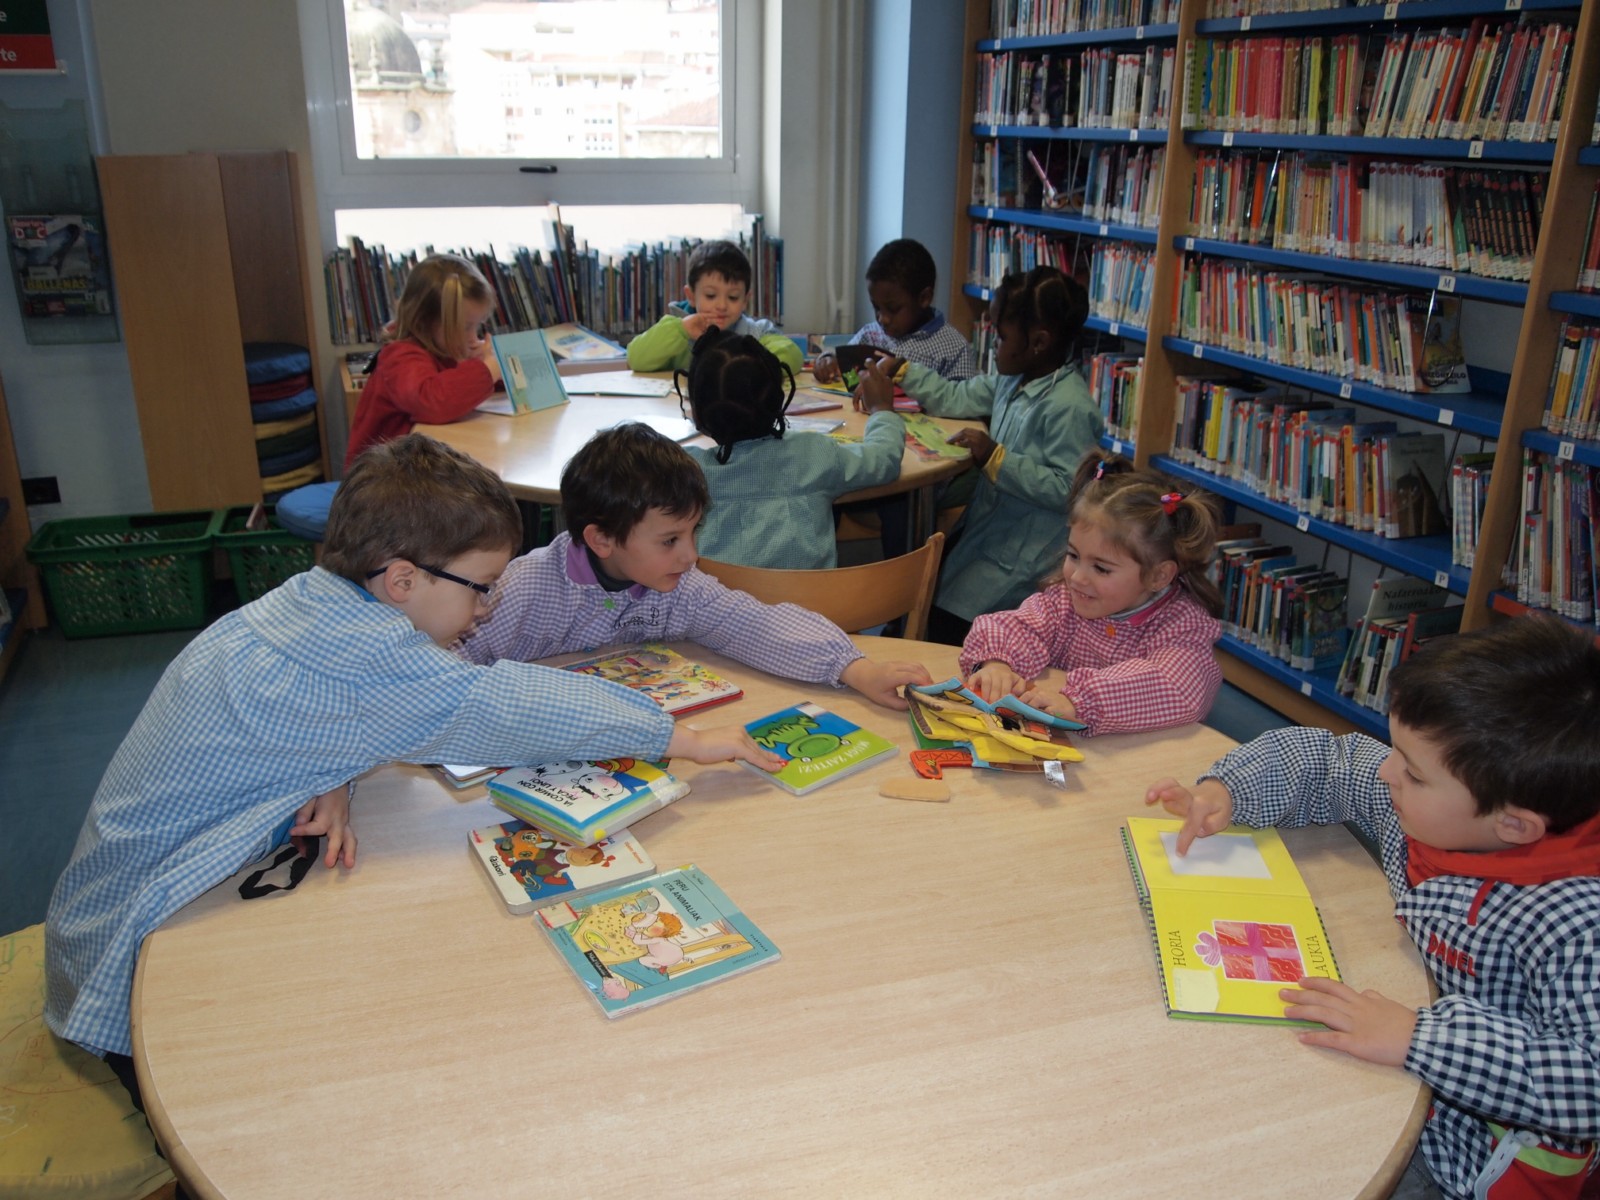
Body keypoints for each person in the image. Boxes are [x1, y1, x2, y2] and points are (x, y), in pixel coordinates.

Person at [45, 434, 779, 1082]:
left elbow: (313, 716)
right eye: (481, 588)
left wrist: (333, 774)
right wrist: (680, 738)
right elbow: (513, 706)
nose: (487, 609)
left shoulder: (307, 605)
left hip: (103, 902)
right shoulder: (378, 661)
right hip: (126, 963)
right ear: (403, 580)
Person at [1145, 616, 1600, 1200]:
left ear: (1514, 825)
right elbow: (1330, 761)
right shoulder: (1440, 808)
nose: (1387, 772)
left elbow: (1588, 1081)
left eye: (1412, 772)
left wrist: (1419, 1038)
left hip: (1465, 1159)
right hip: (1395, 1055)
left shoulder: (1576, 922)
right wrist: (1228, 790)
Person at [455, 422, 932, 709]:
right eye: (670, 540)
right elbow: (442, 668)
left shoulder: (676, 585)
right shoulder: (521, 589)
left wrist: (854, 670)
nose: (691, 555)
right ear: (601, 539)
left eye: (692, 532)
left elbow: (752, 623)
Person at [856, 265, 1103, 644]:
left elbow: (1069, 491)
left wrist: (996, 458)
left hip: (1023, 554)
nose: (994, 347)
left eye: (1001, 338)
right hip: (989, 530)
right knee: (928, 587)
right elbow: (955, 397)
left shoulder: (1069, 406)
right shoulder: (1014, 379)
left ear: (1038, 342)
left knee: (945, 619)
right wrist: (903, 370)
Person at [960, 452, 1223, 734]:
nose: (1076, 577)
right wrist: (997, 663)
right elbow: (1014, 626)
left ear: (1158, 576)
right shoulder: (1065, 600)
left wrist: (1080, 702)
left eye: (1101, 568)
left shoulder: (1183, 627)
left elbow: (1175, 685)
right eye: (1073, 555)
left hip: (1142, 756)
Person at [682, 326, 905, 569]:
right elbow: (884, 459)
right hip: (811, 595)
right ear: (778, 398)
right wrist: (881, 409)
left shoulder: (685, 474)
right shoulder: (815, 455)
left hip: (716, 595)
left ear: (698, 413)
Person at [344, 254, 504, 466]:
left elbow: (463, 387)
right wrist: (486, 371)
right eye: (465, 327)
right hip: (382, 477)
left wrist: (493, 370)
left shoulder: (443, 346)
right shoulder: (400, 356)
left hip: (418, 468)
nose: (474, 337)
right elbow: (430, 400)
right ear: (424, 321)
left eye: (478, 325)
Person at [625, 239, 802, 376]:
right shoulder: (676, 330)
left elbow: (793, 357)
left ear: (745, 300)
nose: (722, 306)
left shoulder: (756, 331)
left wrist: (749, 367)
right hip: (682, 409)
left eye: (733, 297)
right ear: (691, 296)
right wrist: (681, 330)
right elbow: (635, 358)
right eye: (710, 296)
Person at [813, 238, 976, 383]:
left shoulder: (954, 348)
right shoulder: (870, 335)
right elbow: (844, 365)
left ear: (924, 298)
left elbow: (963, 403)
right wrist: (829, 360)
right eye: (876, 307)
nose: (882, 319)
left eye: (893, 309)